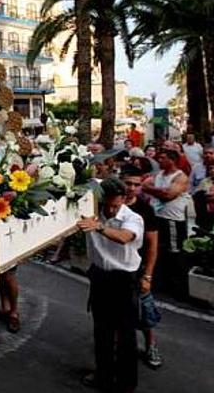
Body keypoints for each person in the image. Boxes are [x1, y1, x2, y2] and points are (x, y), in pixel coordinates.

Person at [77, 177, 143, 393]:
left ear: (124, 200)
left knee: (126, 335)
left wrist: (99, 227)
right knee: (102, 331)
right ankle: (103, 375)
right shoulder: (92, 213)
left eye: (116, 205)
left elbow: (125, 237)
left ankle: (126, 383)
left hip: (124, 280)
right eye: (108, 205)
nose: (112, 210)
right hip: (100, 278)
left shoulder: (132, 218)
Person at [119, 166, 163, 369]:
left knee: (145, 310)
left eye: (136, 185)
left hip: (138, 268)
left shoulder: (146, 209)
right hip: (117, 268)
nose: (132, 188)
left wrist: (148, 275)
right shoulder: (111, 204)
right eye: (128, 183)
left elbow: (153, 245)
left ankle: (151, 345)